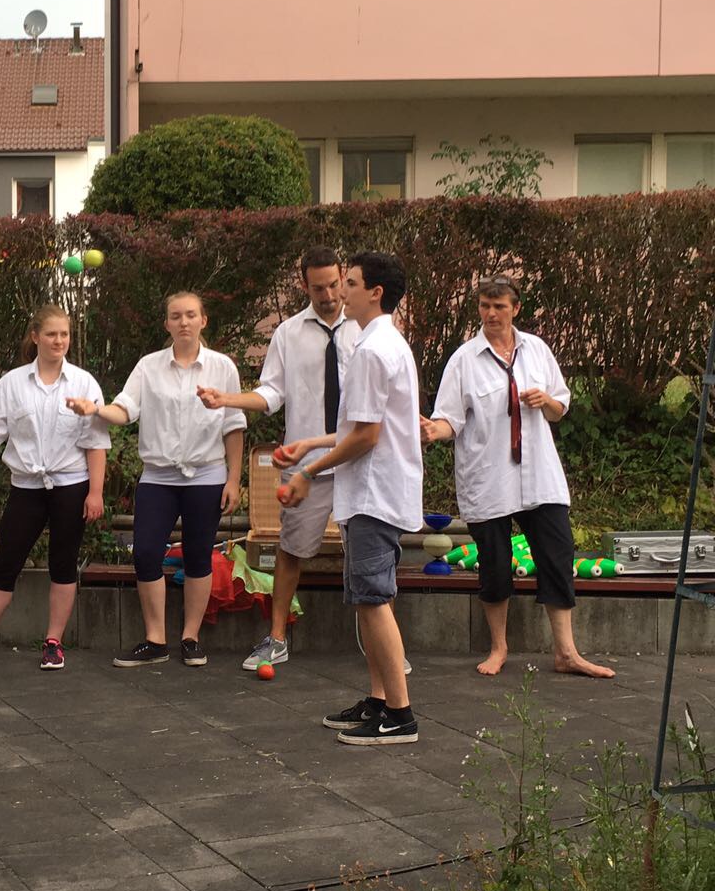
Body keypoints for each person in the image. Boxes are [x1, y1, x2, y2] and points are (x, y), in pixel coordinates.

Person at [421, 275, 614, 679]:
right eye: (485, 306)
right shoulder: (464, 360)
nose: (491, 314)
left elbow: (560, 408)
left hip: (539, 476)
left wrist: (546, 401)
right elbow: (449, 419)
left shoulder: (536, 349)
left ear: (516, 308)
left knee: (558, 556)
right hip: (488, 477)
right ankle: (498, 647)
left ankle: (566, 652)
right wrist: (432, 431)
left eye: (499, 306)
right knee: (494, 565)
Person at [279, 252, 421, 745]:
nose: (342, 291)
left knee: (373, 600)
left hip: (373, 493)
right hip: (372, 491)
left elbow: (365, 436)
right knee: (368, 599)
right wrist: (311, 445)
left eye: (352, 283)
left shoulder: (373, 350)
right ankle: (380, 699)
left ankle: (399, 715)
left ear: (375, 293)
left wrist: (308, 472)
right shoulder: (380, 343)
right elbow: (358, 427)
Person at [197, 245, 358, 671]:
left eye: (334, 285)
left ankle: (384, 646)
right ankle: (277, 638)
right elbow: (271, 394)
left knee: (371, 553)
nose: (328, 295)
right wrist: (227, 399)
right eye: (318, 288)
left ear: (343, 278)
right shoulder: (288, 333)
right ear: (304, 285)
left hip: (360, 462)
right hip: (307, 467)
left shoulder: (366, 326)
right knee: (291, 550)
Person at [67, 291, 245, 668]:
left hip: (206, 476)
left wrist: (234, 479)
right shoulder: (149, 366)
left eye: (190, 315)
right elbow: (125, 410)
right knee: (146, 552)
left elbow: (233, 425)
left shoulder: (222, 367)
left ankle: (191, 638)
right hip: (158, 478)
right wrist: (95, 409)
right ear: (166, 324)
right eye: (175, 316)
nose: (183, 322)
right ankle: (155, 640)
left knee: (198, 555)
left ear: (203, 320)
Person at [0, 304, 110, 671]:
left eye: (64, 334)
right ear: (35, 337)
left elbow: (96, 443)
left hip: (71, 485)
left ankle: (53, 643)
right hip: (27, 486)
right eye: (51, 334)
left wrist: (95, 492)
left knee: (63, 563)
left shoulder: (84, 383)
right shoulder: (12, 384)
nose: (58, 340)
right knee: (6, 562)